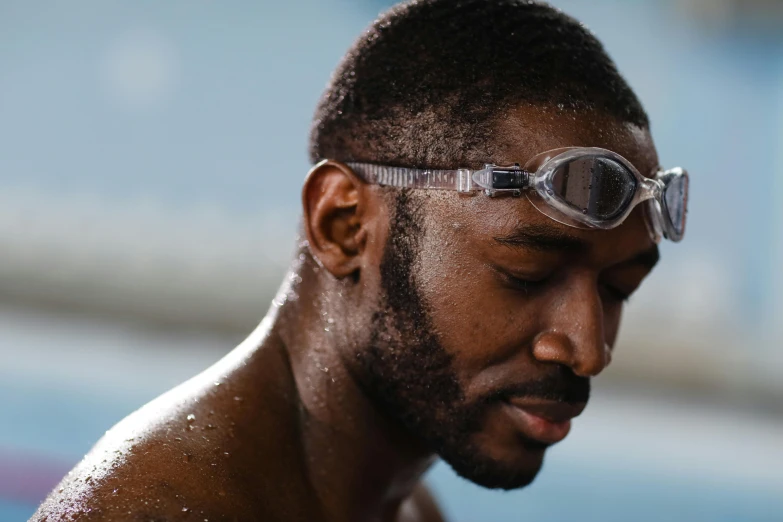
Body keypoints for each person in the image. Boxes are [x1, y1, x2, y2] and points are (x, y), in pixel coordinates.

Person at [32, 0, 689, 520]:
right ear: (343, 225)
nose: (586, 347)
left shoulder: (404, 508)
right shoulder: (161, 514)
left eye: (617, 288)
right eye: (527, 274)